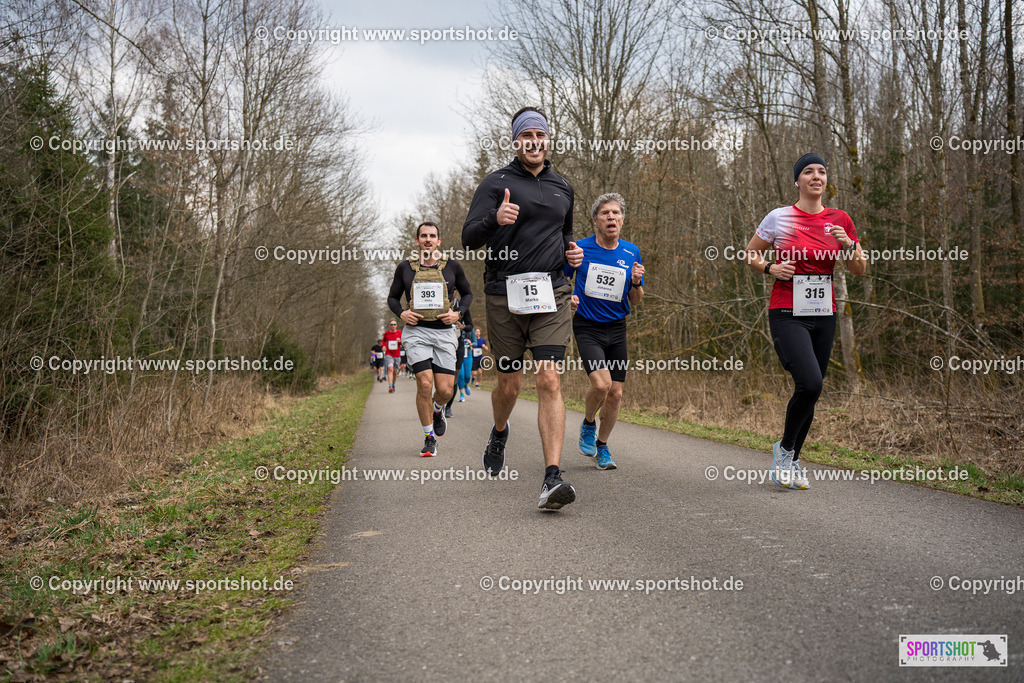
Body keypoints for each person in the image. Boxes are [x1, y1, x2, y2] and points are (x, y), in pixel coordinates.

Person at [463, 106, 583, 510]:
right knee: (510, 384)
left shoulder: (563, 186)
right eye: (526, 135)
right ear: (516, 141)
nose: (534, 141)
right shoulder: (495, 183)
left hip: (552, 291)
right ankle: (500, 430)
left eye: (540, 134)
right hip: (504, 293)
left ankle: (552, 477)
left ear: (548, 139)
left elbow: (565, 236)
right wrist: (495, 219)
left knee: (549, 379)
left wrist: (572, 257)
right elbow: (468, 238)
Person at [743, 153, 867, 489]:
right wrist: (770, 268)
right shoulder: (779, 217)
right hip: (787, 310)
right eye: (808, 172)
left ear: (826, 181)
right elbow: (750, 253)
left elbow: (859, 269)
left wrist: (849, 244)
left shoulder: (840, 219)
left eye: (821, 172)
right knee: (810, 382)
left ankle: (793, 457)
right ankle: (784, 451)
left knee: (811, 390)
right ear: (797, 181)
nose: (816, 176)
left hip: (824, 314)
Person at [566, 193, 644, 470]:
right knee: (601, 385)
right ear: (595, 220)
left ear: (622, 219)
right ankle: (588, 424)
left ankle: (603, 446)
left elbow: (636, 300)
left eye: (616, 213)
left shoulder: (631, 252)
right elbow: (562, 281)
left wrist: (637, 283)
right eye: (605, 213)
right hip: (587, 325)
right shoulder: (580, 248)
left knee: (616, 393)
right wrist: (568, 298)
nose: (611, 217)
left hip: (617, 327)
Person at [388, 221, 473, 457]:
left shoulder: (452, 266)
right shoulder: (405, 268)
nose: (428, 239)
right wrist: (401, 313)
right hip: (416, 332)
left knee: (445, 390)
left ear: (439, 241)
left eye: (432, 236)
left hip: (444, 333)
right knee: (424, 384)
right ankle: (429, 438)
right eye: (423, 236)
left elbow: (468, 293)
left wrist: (458, 313)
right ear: (417, 240)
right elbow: (392, 298)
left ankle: (438, 409)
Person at [444, 310, 475, 418]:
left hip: (459, 345)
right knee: (441, 378)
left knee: (455, 377)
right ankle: (438, 404)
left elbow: (470, 326)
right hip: (442, 344)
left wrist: (463, 327)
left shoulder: (462, 307)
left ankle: (448, 407)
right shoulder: (439, 304)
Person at [382, 320, 403, 393]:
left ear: (396, 325)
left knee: (395, 371)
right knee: (390, 369)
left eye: (394, 324)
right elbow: (383, 341)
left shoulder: (399, 333)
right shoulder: (386, 333)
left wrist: (400, 341)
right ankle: (390, 386)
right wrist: (383, 346)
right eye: (391, 324)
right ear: (389, 326)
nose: (393, 326)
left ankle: (393, 384)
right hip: (389, 354)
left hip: (397, 355)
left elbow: (403, 343)